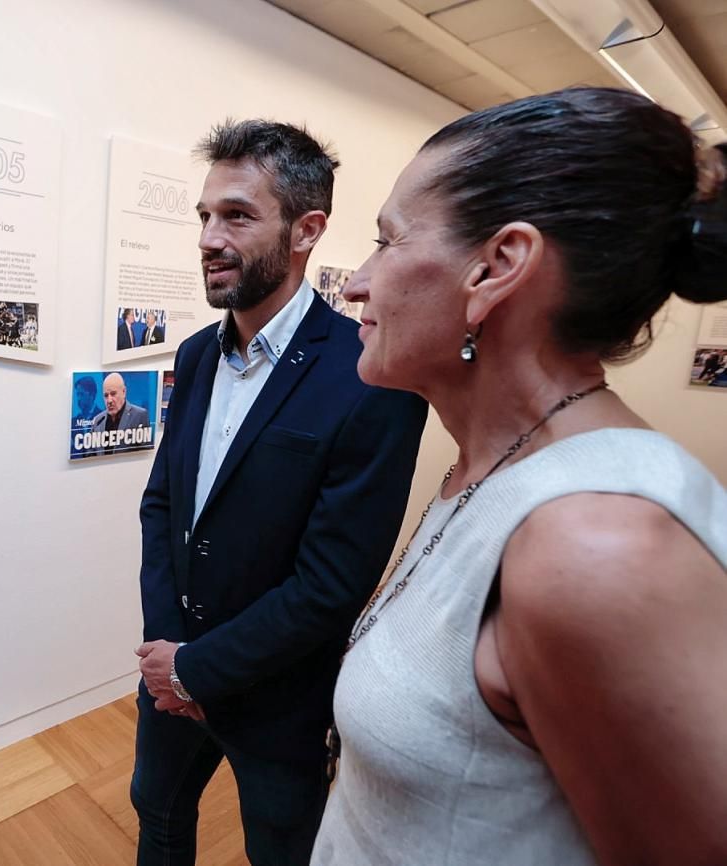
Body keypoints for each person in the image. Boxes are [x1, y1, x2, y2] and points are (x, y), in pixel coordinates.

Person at [311, 89, 727, 866]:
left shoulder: (598, 548)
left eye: (385, 240)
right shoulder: (496, 462)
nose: (356, 282)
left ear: (497, 267)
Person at [133, 119, 427, 866]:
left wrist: (198, 667)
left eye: (236, 215)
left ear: (307, 229)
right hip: (171, 676)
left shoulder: (371, 376)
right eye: (204, 215)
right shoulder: (198, 353)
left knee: (280, 848)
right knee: (158, 815)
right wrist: (170, 660)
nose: (207, 236)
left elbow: (333, 582)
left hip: (279, 700)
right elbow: (164, 507)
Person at [89, 372, 150, 455]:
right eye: (106, 395)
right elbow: (90, 454)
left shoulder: (140, 415)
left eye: (113, 394)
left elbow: (145, 454)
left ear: (124, 392)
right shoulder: (97, 421)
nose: (109, 400)